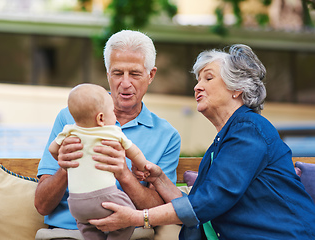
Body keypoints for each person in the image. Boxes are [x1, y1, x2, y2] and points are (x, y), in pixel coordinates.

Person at [88, 44, 315, 239]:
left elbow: (209, 202)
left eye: (208, 77)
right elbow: (197, 206)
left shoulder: (249, 130)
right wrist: (160, 180)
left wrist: (138, 217)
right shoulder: (224, 140)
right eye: (197, 80)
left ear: (236, 88)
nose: (197, 86)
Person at [34, 30, 181, 233]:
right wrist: (66, 168)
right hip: (67, 233)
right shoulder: (69, 118)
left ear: (151, 75)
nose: (125, 83)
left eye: (135, 74)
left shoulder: (167, 136)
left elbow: (158, 211)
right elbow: (42, 205)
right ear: (107, 74)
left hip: (128, 235)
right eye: (118, 73)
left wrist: (124, 174)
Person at [48, 83, 150, 240]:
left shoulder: (69, 130)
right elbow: (134, 151)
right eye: (113, 113)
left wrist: (63, 162)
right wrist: (142, 166)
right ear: (101, 118)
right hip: (105, 198)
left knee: (85, 225)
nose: (115, 117)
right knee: (131, 218)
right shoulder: (112, 132)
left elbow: (53, 150)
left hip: (76, 204)